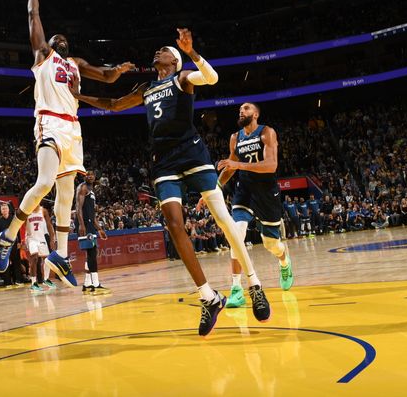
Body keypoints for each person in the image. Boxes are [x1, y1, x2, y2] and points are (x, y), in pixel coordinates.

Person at [68, 28, 270, 336]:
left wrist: (191, 52)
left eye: (164, 49)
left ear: (174, 60)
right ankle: (208, 297)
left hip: (192, 154)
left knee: (225, 222)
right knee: (175, 226)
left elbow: (212, 78)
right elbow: (114, 104)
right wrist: (77, 96)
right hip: (163, 161)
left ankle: (254, 284)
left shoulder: (183, 78)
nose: (157, 51)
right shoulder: (148, 87)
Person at [0, 0, 134, 287]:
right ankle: (9, 234)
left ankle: (60, 254)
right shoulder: (43, 55)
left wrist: (117, 71)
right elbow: (32, 13)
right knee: (44, 183)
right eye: (57, 38)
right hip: (50, 122)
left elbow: (105, 75)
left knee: (66, 194)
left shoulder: (76, 64)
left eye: (65, 38)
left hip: (73, 128)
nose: (62, 39)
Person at [210, 102, 294, 309]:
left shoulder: (266, 133)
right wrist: (214, 188)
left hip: (266, 193)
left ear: (255, 114)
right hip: (244, 191)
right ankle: (237, 289)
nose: (242, 111)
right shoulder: (234, 138)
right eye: (240, 109)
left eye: (246, 108)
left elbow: (271, 165)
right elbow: (230, 168)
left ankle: (284, 262)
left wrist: (238, 165)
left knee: (271, 245)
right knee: (236, 235)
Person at [75, 172, 109, 294]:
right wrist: (81, 225)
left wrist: (99, 229)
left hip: (89, 223)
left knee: (91, 254)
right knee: (92, 253)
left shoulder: (92, 191)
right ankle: (96, 284)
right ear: (84, 177)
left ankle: (87, 283)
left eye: (92, 175)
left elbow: (92, 214)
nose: (90, 177)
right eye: (88, 175)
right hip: (84, 224)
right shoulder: (83, 187)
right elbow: (78, 207)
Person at [24, 204, 55, 292]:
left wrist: (52, 239)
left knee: (47, 259)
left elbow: (49, 225)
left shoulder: (43, 211)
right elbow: (22, 227)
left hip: (41, 238)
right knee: (34, 258)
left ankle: (46, 279)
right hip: (31, 238)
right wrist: (23, 240)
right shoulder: (27, 211)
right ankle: (34, 283)